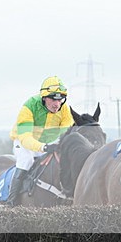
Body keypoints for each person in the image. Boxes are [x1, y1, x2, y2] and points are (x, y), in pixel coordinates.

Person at [7, 76, 74, 206]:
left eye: (60, 99)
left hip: (49, 143)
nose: (57, 104)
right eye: (53, 99)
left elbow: (67, 131)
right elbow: (25, 138)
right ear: (44, 97)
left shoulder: (64, 109)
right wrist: (43, 147)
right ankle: (10, 202)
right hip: (24, 143)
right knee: (26, 161)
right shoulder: (29, 106)